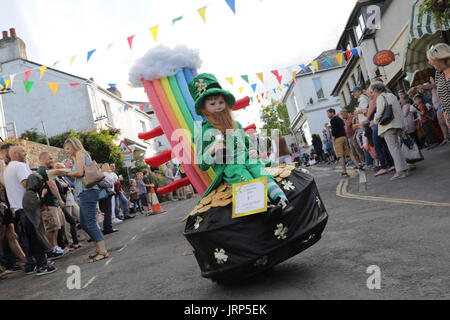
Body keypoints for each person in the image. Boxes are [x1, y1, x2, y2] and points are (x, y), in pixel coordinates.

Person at [191, 73, 294, 213]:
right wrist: (213, 149)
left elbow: (248, 143)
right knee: (241, 175)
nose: (218, 106)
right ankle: (266, 206)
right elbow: (202, 164)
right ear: (204, 107)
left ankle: (282, 200)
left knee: (259, 170)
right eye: (212, 103)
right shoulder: (202, 132)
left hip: (247, 159)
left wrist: (253, 151)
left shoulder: (236, 125)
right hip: (229, 165)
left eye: (221, 102)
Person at [64, 138, 109, 263]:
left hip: (88, 191)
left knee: (90, 222)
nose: (67, 151)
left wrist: (65, 172)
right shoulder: (78, 156)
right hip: (84, 191)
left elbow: (79, 172)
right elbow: (77, 177)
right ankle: (98, 249)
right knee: (84, 223)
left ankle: (103, 251)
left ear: (74, 146)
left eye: (68, 148)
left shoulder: (79, 154)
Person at [2, 146, 36, 273]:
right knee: (29, 236)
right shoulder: (15, 166)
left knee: (20, 236)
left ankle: (30, 263)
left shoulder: (8, 168)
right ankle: (35, 263)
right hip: (20, 206)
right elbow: (24, 184)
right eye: (22, 151)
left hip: (13, 206)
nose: (25, 153)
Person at [371, 83, 409, 181]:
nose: (372, 94)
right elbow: (398, 110)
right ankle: (404, 169)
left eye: (372, 92)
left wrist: (374, 122)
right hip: (396, 124)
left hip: (387, 125)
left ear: (376, 91)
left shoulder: (380, 97)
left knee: (393, 149)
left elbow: (379, 112)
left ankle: (400, 171)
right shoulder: (391, 95)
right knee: (397, 148)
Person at [22, 173, 57, 275]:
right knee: (37, 245)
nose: (41, 184)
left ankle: (42, 264)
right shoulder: (29, 194)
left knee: (37, 245)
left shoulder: (31, 193)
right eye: (40, 182)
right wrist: (42, 196)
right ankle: (42, 267)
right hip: (32, 223)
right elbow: (36, 207)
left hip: (32, 222)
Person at [36, 152, 69, 259]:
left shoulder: (44, 170)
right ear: (44, 159)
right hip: (49, 203)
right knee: (52, 227)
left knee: (56, 226)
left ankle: (55, 247)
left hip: (52, 203)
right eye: (50, 158)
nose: (52, 160)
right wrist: (60, 200)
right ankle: (52, 249)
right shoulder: (44, 171)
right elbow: (52, 185)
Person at [54, 162, 81, 250]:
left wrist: (69, 188)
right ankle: (71, 241)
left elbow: (68, 186)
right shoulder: (55, 178)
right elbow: (59, 190)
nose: (64, 170)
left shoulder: (63, 178)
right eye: (62, 168)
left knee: (80, 216)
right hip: (65, 202)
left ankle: (77, 239)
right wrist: (64, 187)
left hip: (71, 200)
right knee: (68, 223)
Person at [427, 43, 450, 131]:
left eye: (431, 59)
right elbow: (442, 96)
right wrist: (445, 112)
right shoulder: (438, 73)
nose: (429, 62)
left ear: (441, 58)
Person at [326, 108, 351, 177]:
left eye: (328, 113)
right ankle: (358, 165)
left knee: (340, 156)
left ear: (332, 113)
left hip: (338, 139)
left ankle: (344, 172)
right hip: (344, 137)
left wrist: (333, 139)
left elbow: (334, 130)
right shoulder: (339, 119)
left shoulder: (332, 120)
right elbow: (343, 125)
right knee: (349, 153)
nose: (327, 115)